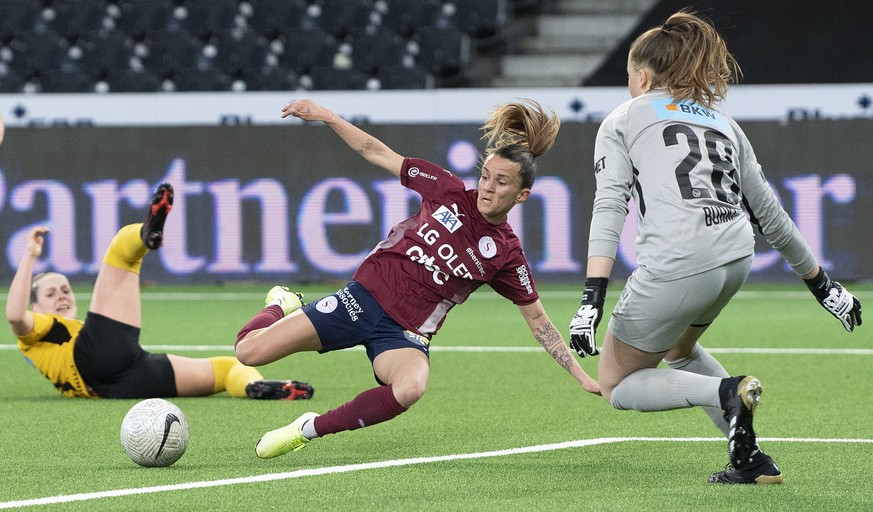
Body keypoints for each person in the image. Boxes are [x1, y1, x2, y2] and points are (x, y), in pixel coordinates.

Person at [568, 9, 863, 485]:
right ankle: (749, 460)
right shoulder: (722, 123)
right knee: (681, 350)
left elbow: (610, 207)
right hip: (735, 258)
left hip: (679, 262)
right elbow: (772, 215)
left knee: (616, 384)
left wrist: (591, 299)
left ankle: (727, 393)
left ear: (641, 76)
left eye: (628, 75)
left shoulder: (623, 118)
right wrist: (823, 285)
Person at [235, 98, 601, 459]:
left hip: (404, 333)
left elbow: (538, 321)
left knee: (409, 388)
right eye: (486, 176)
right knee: (248, 351)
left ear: (522, 195)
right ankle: (280, 304)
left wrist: (581, 375)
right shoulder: (448, 190)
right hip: (359, 301)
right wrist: (328, 116)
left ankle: (306, 429)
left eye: (501, 182)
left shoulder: (506, 254)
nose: (488, 187)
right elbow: (374, 150)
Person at [7, 182, 314, 401]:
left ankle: (255, 388)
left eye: (65, 289)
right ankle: (146, 233)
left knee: (228, 369)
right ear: (35, 306)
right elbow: (14, 315)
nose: (61, 295)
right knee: (121, 251)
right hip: (94, 359)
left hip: (116, 384)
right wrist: (30, 257)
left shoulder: (60, 336)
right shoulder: (41, 329)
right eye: (50, 294)